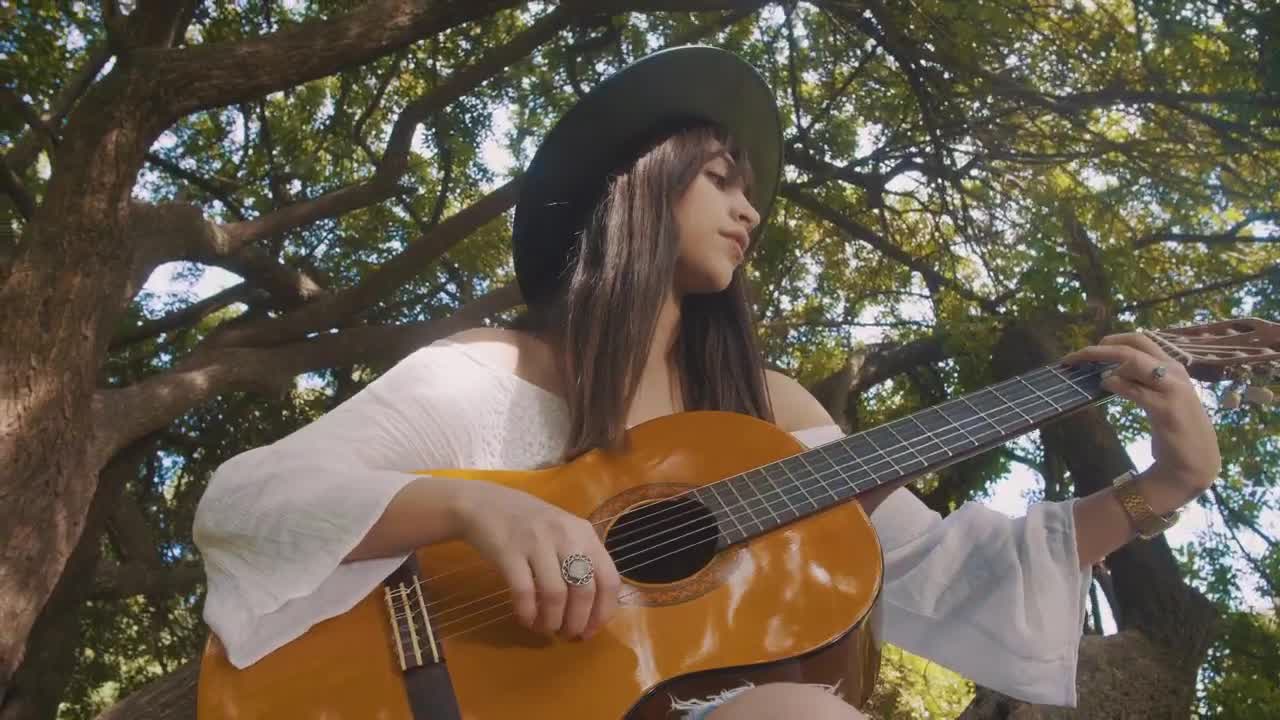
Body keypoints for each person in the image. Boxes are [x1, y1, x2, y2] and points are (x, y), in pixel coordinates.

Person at [192, 46, 1221, 719]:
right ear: (636, 187)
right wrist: (473, 507)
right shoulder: (488, 371)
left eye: (751, 192)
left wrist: (1163, 487)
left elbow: (946, 568)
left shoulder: (771, 412)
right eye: (721, 178)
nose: (751, 211)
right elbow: (250, 500)